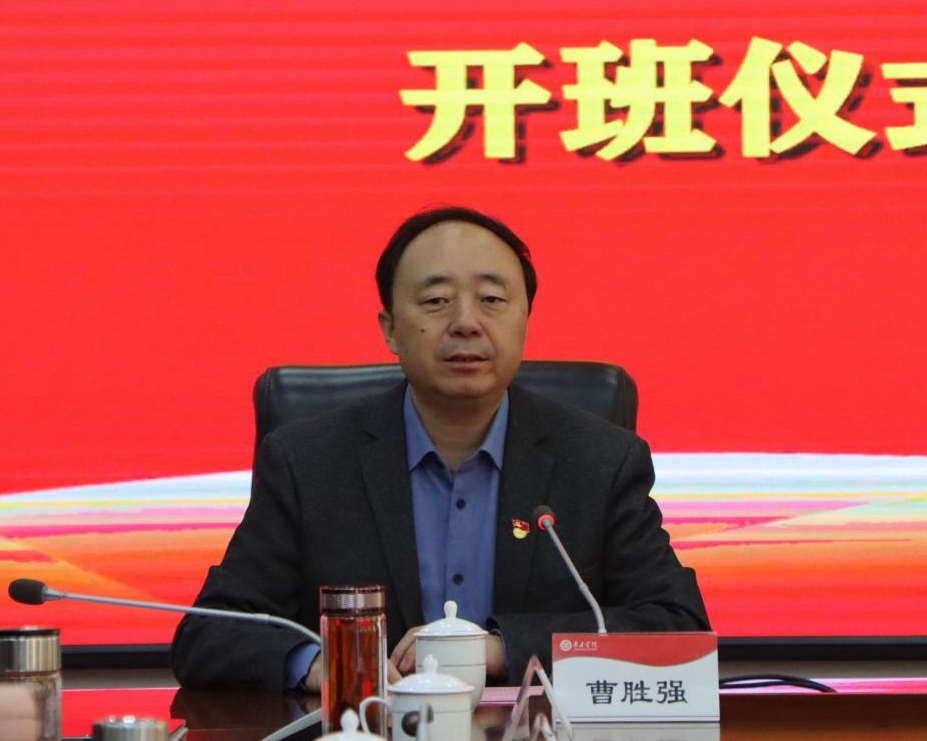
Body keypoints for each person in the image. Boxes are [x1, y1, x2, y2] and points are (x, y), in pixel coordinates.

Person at [170, 206, 709, 692]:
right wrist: (318, 663)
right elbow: (209, 635)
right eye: (435, 301)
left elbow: (678, 631)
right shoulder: (308, 462)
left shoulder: (599, 461)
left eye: (492, 300)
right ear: (390, 329)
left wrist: (500, 649)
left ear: (525, 319)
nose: (466, 323)